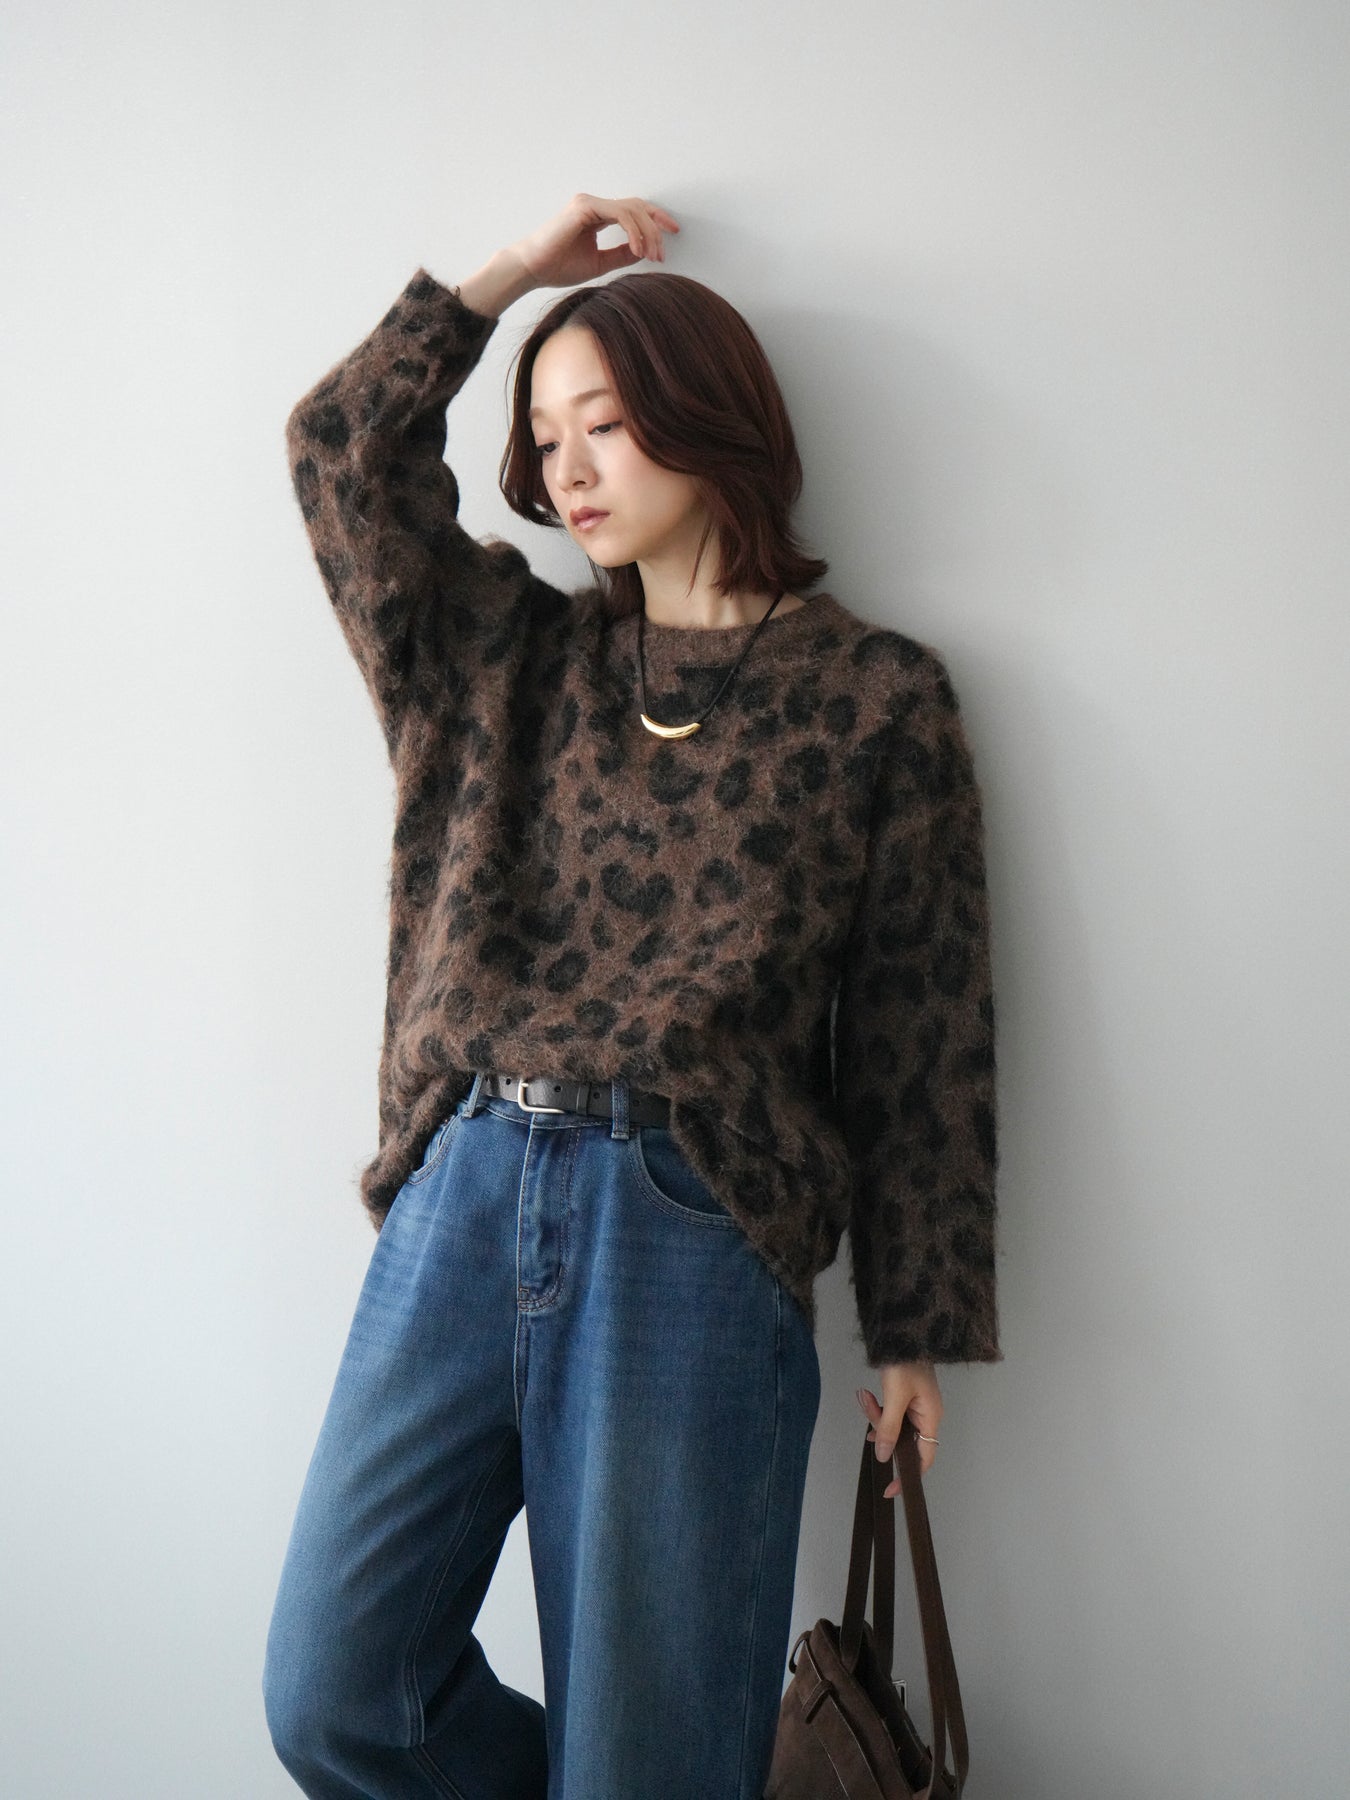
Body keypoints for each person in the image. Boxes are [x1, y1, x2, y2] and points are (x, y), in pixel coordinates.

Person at [263, 192, 1000, 1799]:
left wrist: (914, 1327)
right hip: (464, 1187)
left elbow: (918, 1028)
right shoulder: (498, 659)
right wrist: (507, 280)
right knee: (336, 1695)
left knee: (649, 1763)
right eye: (545, 439)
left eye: (602, 422)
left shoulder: (875, 700)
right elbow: (336, 451)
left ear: (710, 417)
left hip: (691, 1224)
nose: (568, 470)